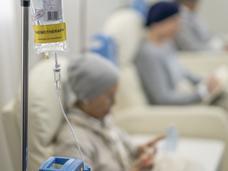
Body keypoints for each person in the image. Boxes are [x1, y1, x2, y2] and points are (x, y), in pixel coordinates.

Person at [55, 53, 164, 171]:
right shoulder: (74, 142)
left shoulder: (102, 121)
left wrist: (139, 152)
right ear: (88, 97)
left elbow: (122, 151)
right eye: (109, 97)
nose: (114, 103)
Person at [135, 1, 225, 106]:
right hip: (172, 110)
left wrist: (205, 81)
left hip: (184, 95)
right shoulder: (148, 54)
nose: (178, 27)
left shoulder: (166, 45)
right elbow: (162, 98)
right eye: (174, 22)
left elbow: (182, 72)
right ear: (158, 23)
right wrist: (200, 95)